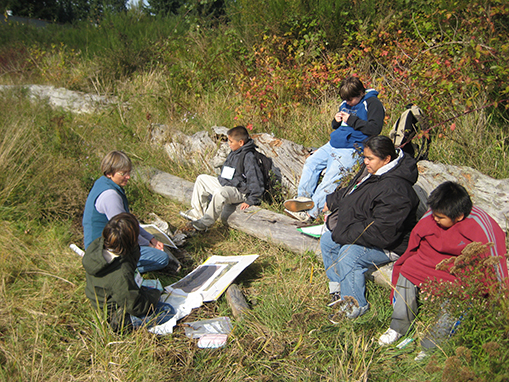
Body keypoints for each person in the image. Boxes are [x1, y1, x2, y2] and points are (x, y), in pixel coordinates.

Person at [378, 182, 508, 350]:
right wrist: (398, 274)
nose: (435, 219)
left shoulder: (481, 225)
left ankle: (431, 344)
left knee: (462, 295)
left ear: (459, 216)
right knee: (409, 267)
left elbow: (496, 262)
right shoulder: (431, 217)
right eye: (434, 214)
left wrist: (501, 302)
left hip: (461, 272)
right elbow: (411, 249)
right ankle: (399, 325)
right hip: (430, 263)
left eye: (440, 217)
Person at [321, 135, 419, 319]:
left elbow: (383, 232)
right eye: (364, 157)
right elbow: (354, 193)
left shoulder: (396, 188)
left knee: (348, 254)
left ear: (386, 159)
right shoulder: (377, 173)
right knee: (328, 241)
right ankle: (338, 289)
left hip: (391, 245)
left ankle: (354, 306)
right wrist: (333, 203)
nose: (365, 162)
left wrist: (346, 233)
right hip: (367, 232)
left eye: (370, 158)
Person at [284, 76, 385, 223]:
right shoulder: (346, 102)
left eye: (350, 100)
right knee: (311, 163)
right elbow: (338, 126)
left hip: (352, 147)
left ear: (360, 93)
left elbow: (375, 128)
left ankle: (310, 213)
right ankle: (302, 200)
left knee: (331, 177)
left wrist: (351, 120)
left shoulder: (372, 103)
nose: (348, 103)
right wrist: (336, 121)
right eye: (346, 100)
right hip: (332, 144)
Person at [83, 213, 173, 332]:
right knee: (167, 311)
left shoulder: (98, 244)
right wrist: (155, 294)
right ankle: (131, 325)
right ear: (131, 241)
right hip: (116, 316)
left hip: (107, 297)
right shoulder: (120, 274)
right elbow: (137, 307)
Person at [82, 151, 169, 273]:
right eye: (123, 173)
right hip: (102, 251)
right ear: (109, 173)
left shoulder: (103, 182)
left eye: (129, 172)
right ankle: (115, 270)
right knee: (161, 258)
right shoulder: (110, 196)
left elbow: (129, 224)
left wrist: (151, 238)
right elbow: (125, 231)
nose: (128, 177)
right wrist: (149, 245)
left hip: (110, 242)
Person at [180, 125, 264, 232]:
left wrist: (252, 199)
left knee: (220, 193)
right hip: (227, 183)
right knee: (201, 179)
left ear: (241, 142)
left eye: (231, 141)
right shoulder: (235, 151)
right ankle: (198, 213)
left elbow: (255, 180)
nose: (228, 143)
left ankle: (206, 222)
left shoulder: (248, 157)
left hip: (240, 191)